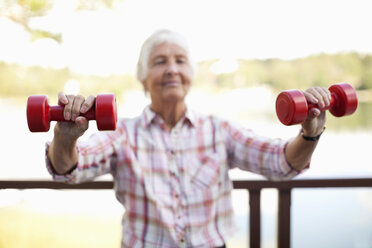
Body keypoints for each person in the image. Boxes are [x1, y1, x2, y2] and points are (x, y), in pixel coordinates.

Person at [46, 29, 330, 248]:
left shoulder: (219, 130)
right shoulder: (123, 134)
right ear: (143, 79)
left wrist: (310, 133)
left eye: (180, 61)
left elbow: (280, 163)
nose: (172, 69)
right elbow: (69, 169)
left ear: (190, 75)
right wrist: (65, 139)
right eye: (160, 62)